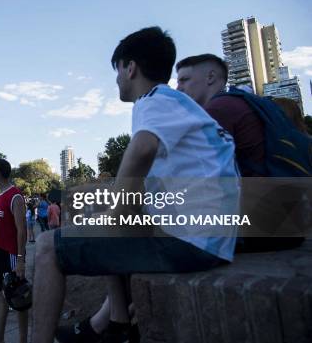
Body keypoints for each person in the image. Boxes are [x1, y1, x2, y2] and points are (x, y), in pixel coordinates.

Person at [34, 27, 239, 343]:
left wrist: (116, 213)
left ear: (130, 68)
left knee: (48, 247)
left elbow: (142, 149)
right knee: (104, 221)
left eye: (117, 70)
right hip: (209, 235)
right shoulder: (179, 105)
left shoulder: (153, 99)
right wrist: (112, 213)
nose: (116, 79)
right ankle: (118, 323)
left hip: (193, 241)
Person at [176, 53, 307, 252]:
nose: (179, 88)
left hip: (263, 227)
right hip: (286, 222)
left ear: (210, 77)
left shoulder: (218, 109)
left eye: (184, 80)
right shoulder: (242, 102)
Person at [0, 158, 28, 343]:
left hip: (13, 254)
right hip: (0, 253)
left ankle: (23, 340)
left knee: (19, 298)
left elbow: (22, 230)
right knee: (1, 294)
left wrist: (20, 260)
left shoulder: (15, 196)